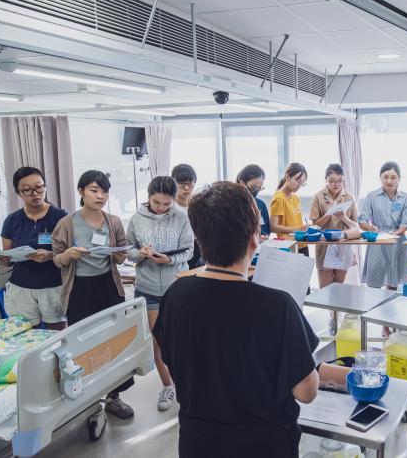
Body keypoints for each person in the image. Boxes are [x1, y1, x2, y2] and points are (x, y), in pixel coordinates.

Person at [153, 182, 319, 458]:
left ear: (198, 238)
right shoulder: (278, 306)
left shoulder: (175, 296)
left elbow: (171, 362)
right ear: (255, 237)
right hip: (263, 444)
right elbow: (306, 391)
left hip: (198, 443)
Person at [52, 170, 134, 419]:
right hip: (80, 288)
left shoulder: (113, 221)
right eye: (94, 190)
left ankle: (114, 397)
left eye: (104, 191)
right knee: (84, 343)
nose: (100, 196)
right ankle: (87, 398)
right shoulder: (67, 223)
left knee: (113, 339)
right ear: (81, 192)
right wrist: (70, 255)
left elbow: (122, 255)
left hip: (108, 286)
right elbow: (57, 259)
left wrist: (119, 253)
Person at [125, 176, 194, 412]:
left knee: (183, 339)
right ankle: (168, 385)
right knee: (159, 341)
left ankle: (189, 385)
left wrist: (169, 259)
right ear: (148, 197)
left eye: (167, 204)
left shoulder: (182, 217)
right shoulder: (136, 219)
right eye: (157, 203)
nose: (162, 208)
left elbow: (189, 251)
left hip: (178, 286)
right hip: (149, 288)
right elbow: (128, 252)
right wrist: (141, 254)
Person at [0, 167, 67, 330]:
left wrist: (50, 255)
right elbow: (8, 260)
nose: (35, 193)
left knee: (57, 335)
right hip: (21, 287)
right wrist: (4, 260)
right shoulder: (11, 220)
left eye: (39, 187)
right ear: (19, 193)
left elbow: (71, 251)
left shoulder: (61, 216)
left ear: (45, 186)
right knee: (25, 335)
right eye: (27, 190)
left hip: (53, 286)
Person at [359, 162, 407, 337]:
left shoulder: (404, 198)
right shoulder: (372, 196)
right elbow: (363, 220)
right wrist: (371, 228)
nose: (389, 180)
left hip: (396, 244)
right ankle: (377, 320)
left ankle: (387, 324)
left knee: (392, 286)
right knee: (375, 285)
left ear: (399, 179)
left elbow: (405, 224)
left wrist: (393, 235)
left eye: (393, 177)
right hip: (378, 243)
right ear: (380, 177)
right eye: (385, 177)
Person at [309, 163, 360, 287]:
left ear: (343, 180)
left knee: (339, 287)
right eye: (331, 181)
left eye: (339, 181)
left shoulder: (349, 197)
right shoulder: (318, 196)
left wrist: (344, 218)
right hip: (324, 246)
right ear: (325, 179)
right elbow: (314, 225)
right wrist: (328, 214)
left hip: (343, 245)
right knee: (325, 288)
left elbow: (356, 226)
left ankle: (336, 308)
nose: (336, 184)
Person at [270, 162, 309, 255]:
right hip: (287, 246)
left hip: (302, 244)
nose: (299, 186)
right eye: (297, 181)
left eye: (302, 183)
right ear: (287, 177)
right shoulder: (279, 199)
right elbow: (272, 227)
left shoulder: (296, 198)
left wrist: (304, 228)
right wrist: (299, 229)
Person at [171, 164, 201, 269]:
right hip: (178, 249)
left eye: (190, 183)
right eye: (182, 184)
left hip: (198, 248)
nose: (187, 188)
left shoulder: (198, 204)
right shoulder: (168, 206)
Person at [236, 164, 270, 239]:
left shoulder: (260, 204)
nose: (256, 191)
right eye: (254, 187)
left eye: (259, 188)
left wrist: (264, 236)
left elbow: (267, 230)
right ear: (242, 183)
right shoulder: (232, 205)